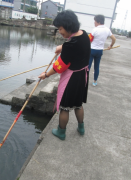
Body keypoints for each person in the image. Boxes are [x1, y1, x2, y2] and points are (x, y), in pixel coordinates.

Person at [38, 10, 91, 140]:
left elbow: (59, 66)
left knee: (64, 108)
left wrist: (46, 74)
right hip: (82, 76)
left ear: (68, 26)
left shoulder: (70, 45)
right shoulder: (84, 34)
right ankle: (81, 127)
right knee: (78, 104)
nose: (59, 32)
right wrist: (62, 46)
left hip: (71, 79)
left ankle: (61, 132)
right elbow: (75, 44)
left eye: (60, 29)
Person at [88, 15, 116, 86]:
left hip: (92, 50)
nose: (94, 23)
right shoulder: (107, 30)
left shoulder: (95, 29)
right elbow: (114, 39)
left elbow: (89, 40)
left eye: (95, 21)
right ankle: (94, 82)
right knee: (96, 67)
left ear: (99, 21)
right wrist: (111, 46)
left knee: (88, 66)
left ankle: (84, 80)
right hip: (100, 51)